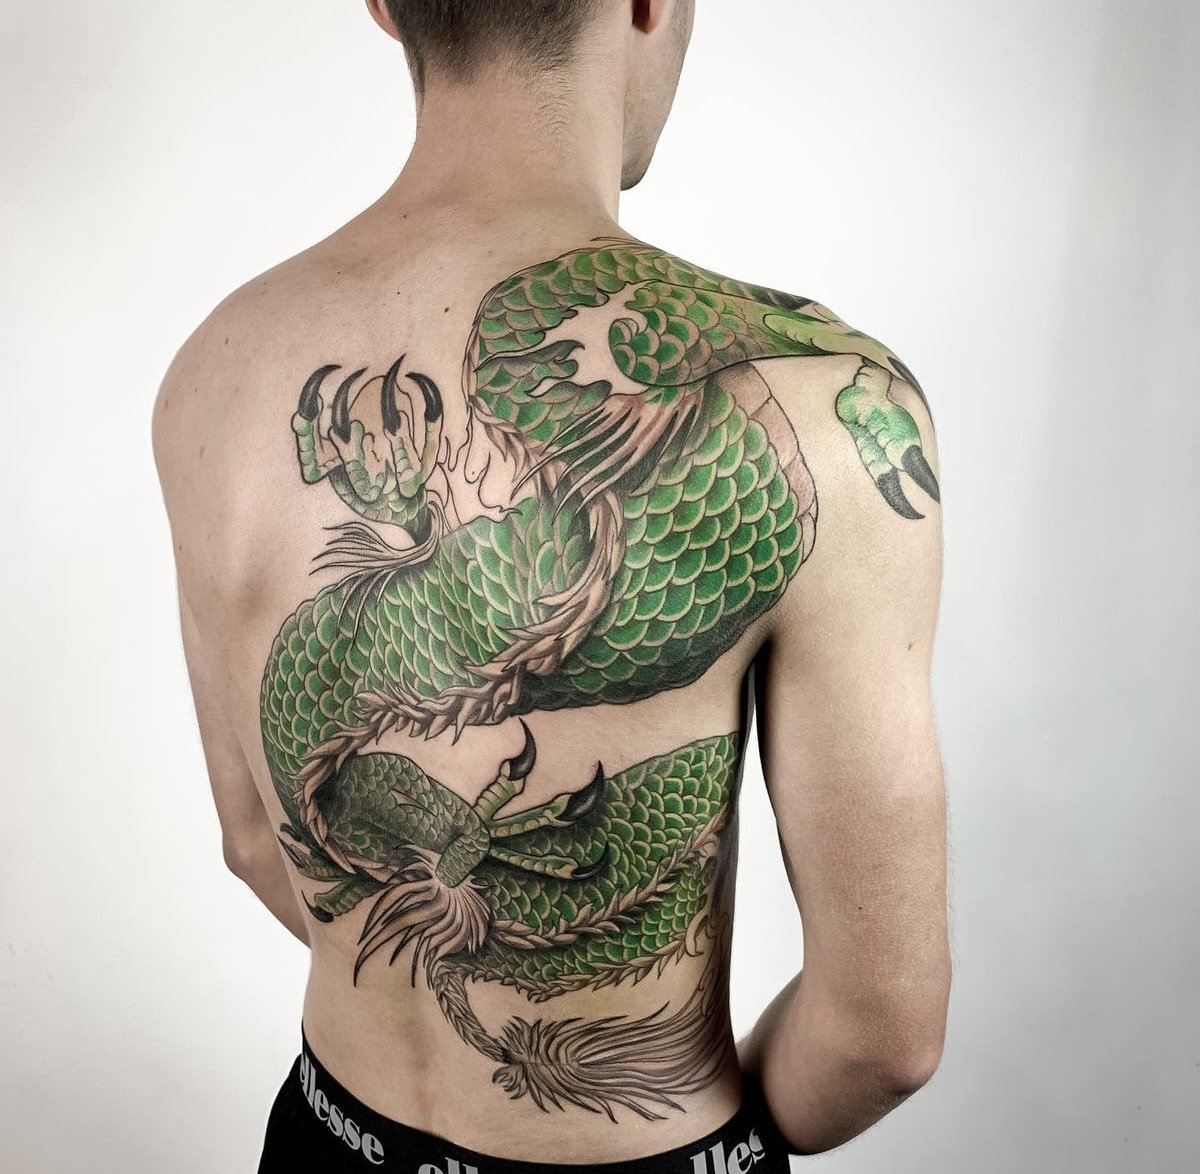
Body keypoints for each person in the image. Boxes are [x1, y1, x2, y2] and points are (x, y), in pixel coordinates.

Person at [153, 2, 950, 1170]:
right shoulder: (836, 407)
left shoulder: (215, 370)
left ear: (384, 4)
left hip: (325, 1134)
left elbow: (255, 836)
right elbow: (884, 1034)